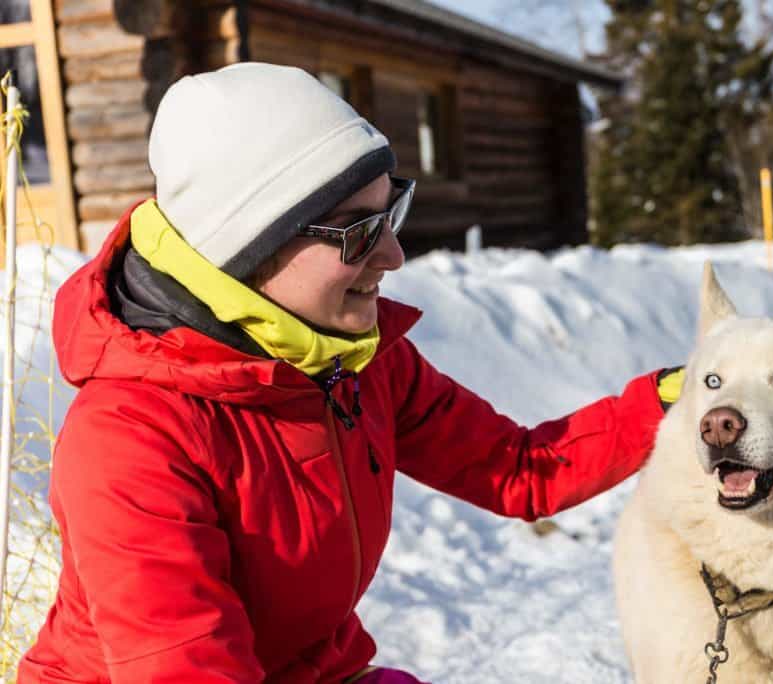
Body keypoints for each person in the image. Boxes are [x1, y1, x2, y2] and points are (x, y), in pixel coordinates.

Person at [18, 63, 682, 683]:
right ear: (248, 246)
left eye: (391, 210)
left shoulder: (354, 361)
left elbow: (520, 468)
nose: (393, 253)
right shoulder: (133, 439)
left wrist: (675, 401)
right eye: (356, 230)